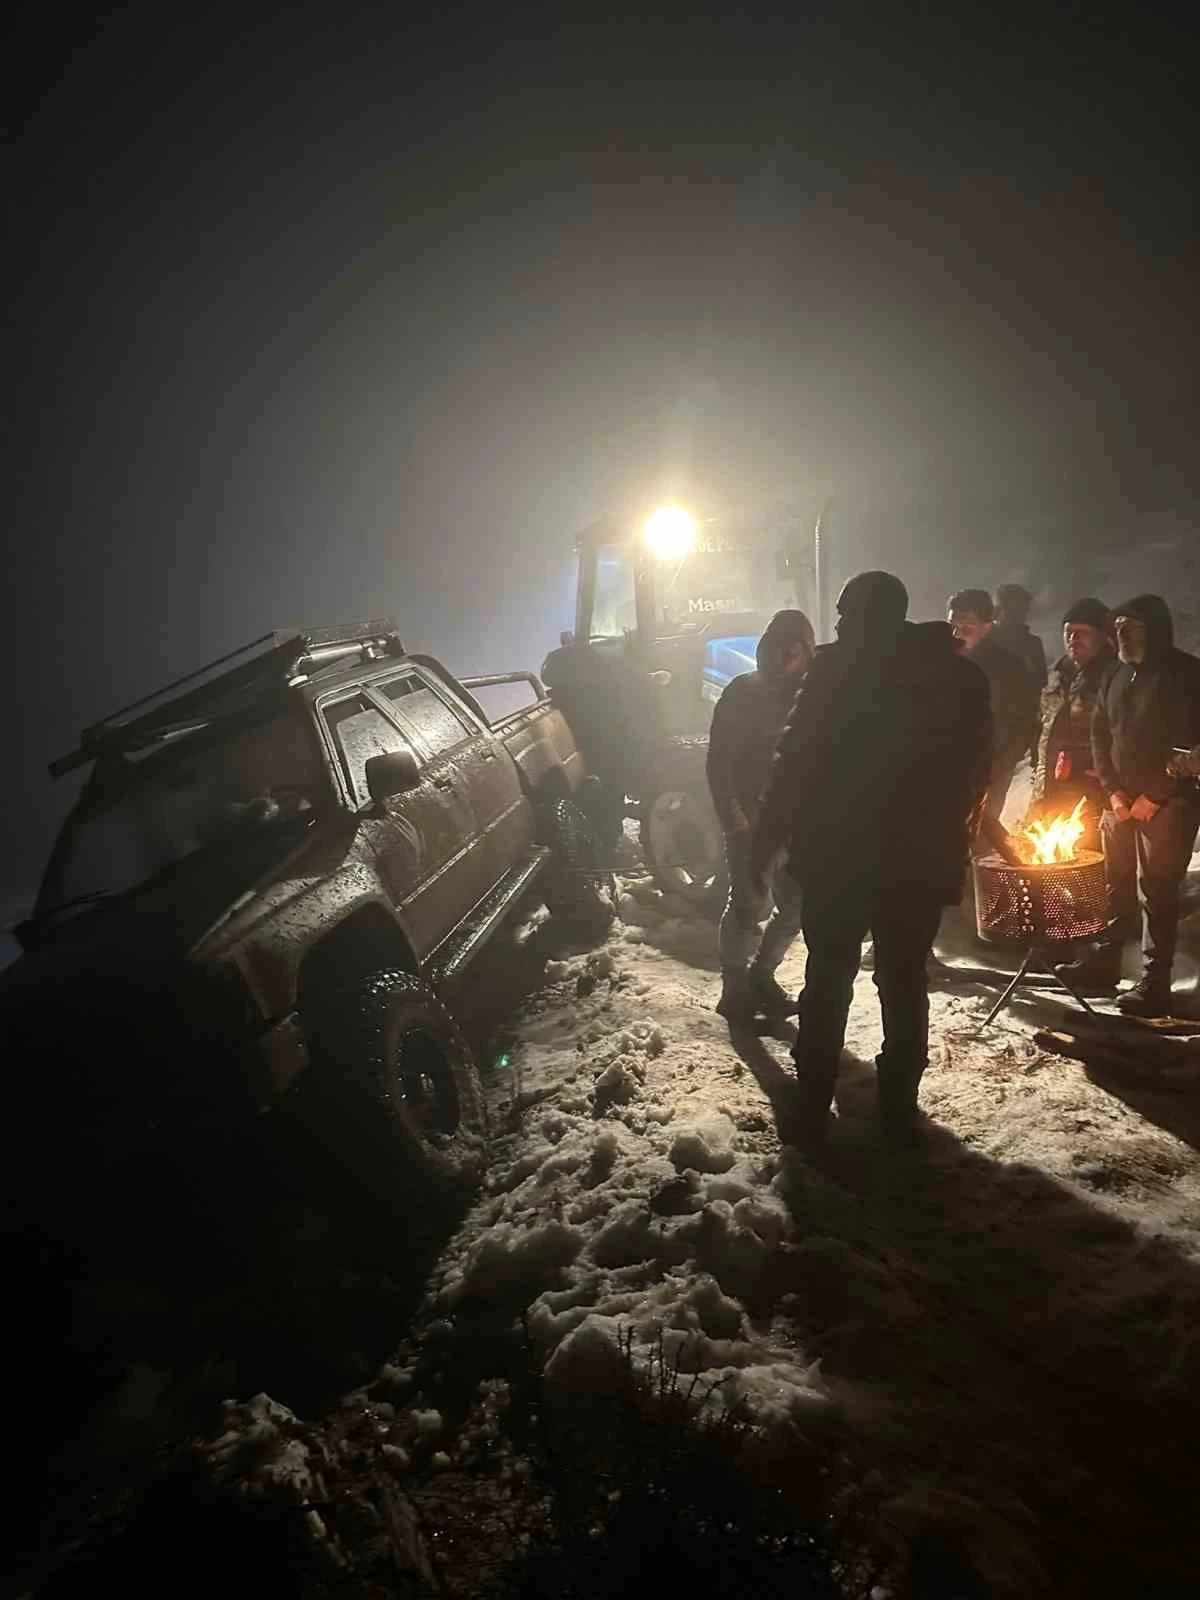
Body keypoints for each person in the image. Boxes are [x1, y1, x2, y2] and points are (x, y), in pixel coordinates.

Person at [753, 572, 991, 1148]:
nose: (836, 624)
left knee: (828, 979)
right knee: (904, 981)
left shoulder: (834, 673)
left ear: (867, 615)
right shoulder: (958, 675)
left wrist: (767, 839)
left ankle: (813, 1102)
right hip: (917, 860)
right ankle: (899, 1106)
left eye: (845, 613)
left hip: (838, 857)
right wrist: (950, 833)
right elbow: (976, 768)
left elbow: (794, 762)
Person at [1064, 595, 1200, 1015]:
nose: (1122, 634)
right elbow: (1100, 734)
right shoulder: (1116, 673)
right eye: (1118, 627)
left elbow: (1191, 744)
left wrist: (1155, 794)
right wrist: (1113, 792)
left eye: (1132, 626)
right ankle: (1104, 964)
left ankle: (1154, 983)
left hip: (1170, 804)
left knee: (1157, 890)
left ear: (1154, 629)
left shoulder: (1185, 674)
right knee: (1116, 882)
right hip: (1120, 802)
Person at [707, 609, 814, 1021]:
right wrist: (733, 817)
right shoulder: (744, 692)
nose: (785, 657)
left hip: (797, 821)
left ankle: (761, 976)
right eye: (778, 648)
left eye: (794, 648)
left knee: (797, 906)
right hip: (751, 819)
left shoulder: (813, 692)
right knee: (748, 907)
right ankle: (734, 991)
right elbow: (719, 763)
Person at [1029, 597, 1116, 850]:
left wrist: (1109, 772)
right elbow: (1045, 728)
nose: (1073, 639)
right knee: (1049, 853)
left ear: (1103, 636)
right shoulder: (1058, 674)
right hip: (1053, 781)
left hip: (1093, 785)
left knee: (1089, 854)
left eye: (1082, 633)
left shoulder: (1115, 676)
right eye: (1068, 632)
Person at [947, 587, 1036, 824]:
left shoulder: (1008, 670)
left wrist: (995, 770)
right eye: (952, 626)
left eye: (966, 628)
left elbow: (1021, 726)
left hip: (990, 772)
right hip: (944, 770)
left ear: (987, 627)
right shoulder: (938, 662)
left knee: (980, 833)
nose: (956, 634)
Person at [993, 583, 1048, 694]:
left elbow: (1041, 683)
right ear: (997, 611)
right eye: (1013, 611)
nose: (1020, 617)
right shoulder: (984, 642)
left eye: (1022, 611)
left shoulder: (1033, 644)